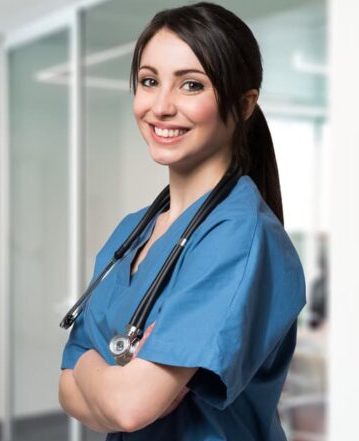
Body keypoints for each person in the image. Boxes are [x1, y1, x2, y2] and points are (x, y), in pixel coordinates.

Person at [58, 3, 305, 440]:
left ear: (245, 104)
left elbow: (129, 407)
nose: (161, 106)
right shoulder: (132, 232)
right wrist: (105, 383)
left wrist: (89, 368)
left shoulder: (241, 237)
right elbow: (67, 391)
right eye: (149, 82)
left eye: (191, 85)